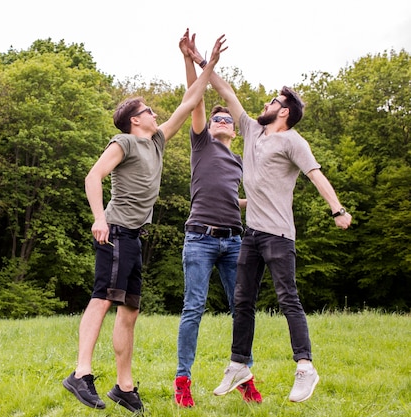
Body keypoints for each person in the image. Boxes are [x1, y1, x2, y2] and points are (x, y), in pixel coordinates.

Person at [62, 33, 227, 413]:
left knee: (130, 311)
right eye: (149, 110)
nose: (156, 114)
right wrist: (99, 218)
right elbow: (92, 178)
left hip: (134, 238)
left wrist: (201, 61)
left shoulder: (156, 142)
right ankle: (81, 373)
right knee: (102, 298)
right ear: (135, 120)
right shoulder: (124, 142)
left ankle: (124, 386)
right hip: (115, 232)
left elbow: (190, 101)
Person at [208, 64, 352, 403]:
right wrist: (203, 61)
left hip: (279, 236)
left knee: (288, 298)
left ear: (283, 111)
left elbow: (316, 175)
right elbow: (226, 92)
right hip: (253, 234)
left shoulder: (293, 141)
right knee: (242, 300)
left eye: (272, 100)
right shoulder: (252, 131)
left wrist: (338, 209)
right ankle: (238, 364)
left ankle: (305, 367)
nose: (265, 104)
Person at [172, 30, 262, 408]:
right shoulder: (202, 144)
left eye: (227, 118)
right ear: (209, 127)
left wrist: (252, 203)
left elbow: (231, 197)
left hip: (234, 241)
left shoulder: (239, 161)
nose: (223, 118)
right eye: (218, 117)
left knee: (241, 308)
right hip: (200, 239)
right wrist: (192, 60)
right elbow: (196, 100)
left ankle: (243, 373)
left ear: (233, 132)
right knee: (194, 307)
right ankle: (183, 382)